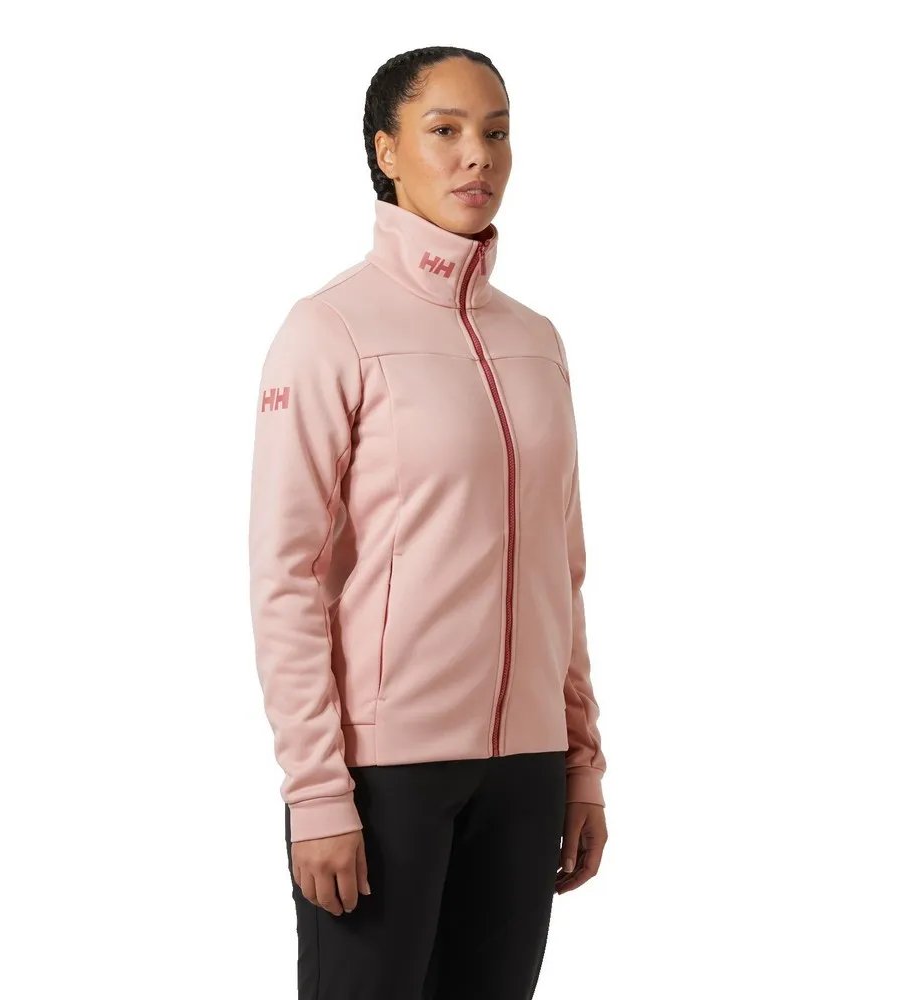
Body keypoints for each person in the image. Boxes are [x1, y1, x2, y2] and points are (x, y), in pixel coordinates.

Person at [248, 45, 608, 1000]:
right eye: (443, 130)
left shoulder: (537, 342)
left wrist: (579, 763)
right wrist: (317, 793)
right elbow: (287, 577)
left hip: (525, 771)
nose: (476, 155)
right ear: (386, 151)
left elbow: (561, 571)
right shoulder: (330, 329)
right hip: (385, 777)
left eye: (496, 132)